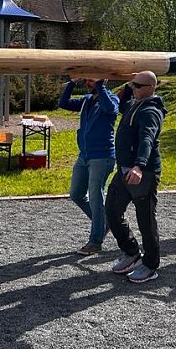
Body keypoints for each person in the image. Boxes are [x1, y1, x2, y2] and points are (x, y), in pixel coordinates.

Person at [105, 71, 167, 284]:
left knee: (146, 220)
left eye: (138, 85)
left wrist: (139, 166)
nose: (134, 88)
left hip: (143, 173)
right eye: (133, 85)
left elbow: (146, 140)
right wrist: (128, 84)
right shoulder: (135, 103)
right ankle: (131, 252)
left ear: (151, 87)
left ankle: (150, 265)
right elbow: (121, 104)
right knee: (112, 210)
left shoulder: (151, 110)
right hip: (124, 170)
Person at [57, 78, 119, 255]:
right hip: (84, 156)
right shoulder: (86, 100)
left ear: (103, 80)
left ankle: (95, 241)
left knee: (95, 196)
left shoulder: (111, 98)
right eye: (88, 80)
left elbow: (111, 109)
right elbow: (64, 103)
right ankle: (105, 223)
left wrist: (100, 84)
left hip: (102, 156)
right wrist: (71, 83)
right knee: (76, 194)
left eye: (91, 80)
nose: (88, 83)